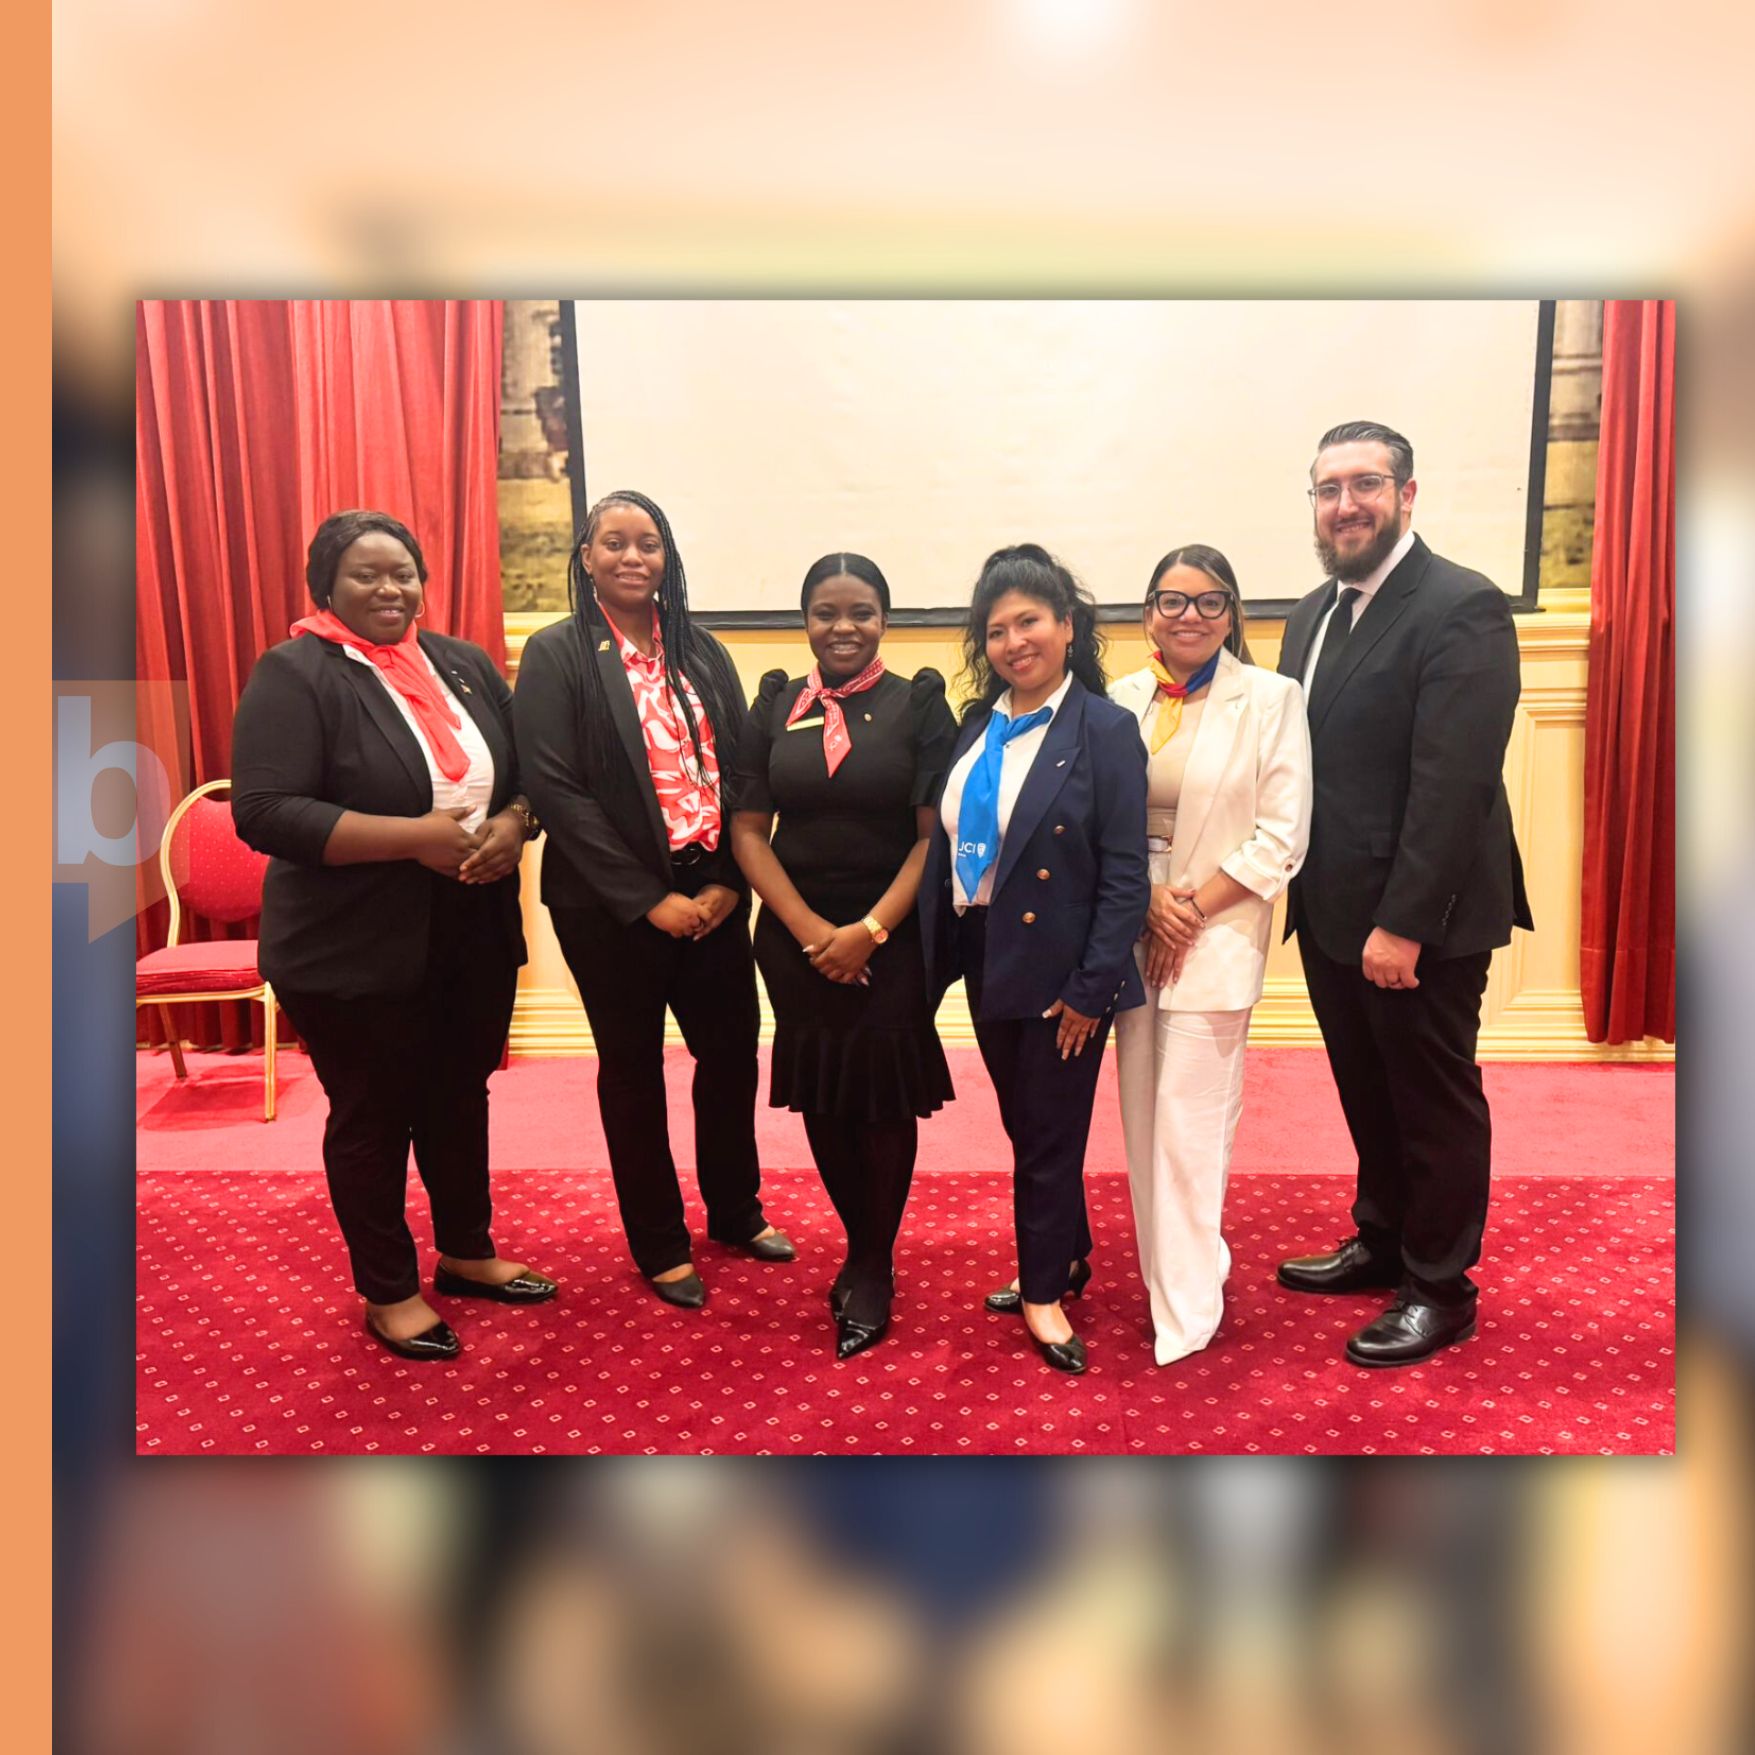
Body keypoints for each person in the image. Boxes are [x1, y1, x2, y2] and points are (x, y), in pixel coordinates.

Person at [232, 508, 555, 1364]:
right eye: (367, 574)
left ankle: (467, 1251)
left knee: (458, 1097)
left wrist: (514, 824)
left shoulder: (463, 664)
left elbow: (528, 775)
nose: (390, 588)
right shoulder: (296, 672)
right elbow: (266, 812)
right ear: (326, 585)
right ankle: (389, 1289)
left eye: (403, 572)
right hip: (349, 945)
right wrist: (414, 837)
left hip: (472, 930)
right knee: (373, 1117)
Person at [1275, 421, 1532, 1367]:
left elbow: (1453, 785)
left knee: (1430, 1102)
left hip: (1420, 920)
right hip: (1329, 911)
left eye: (1365, 484)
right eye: (1327, 489)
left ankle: (1439, 1286)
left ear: (1406, 495)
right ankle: (1382, 1238)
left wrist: (1402, 924)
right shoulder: (1309, 614)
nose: (1345, 505)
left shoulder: (1461, 604)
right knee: (1367, 1088)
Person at [512, 489, 791, 1309]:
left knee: (730, 1054)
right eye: (615, 543)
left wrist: (726, 879)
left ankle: (734, 1210)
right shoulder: (558, 653)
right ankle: (660, 1242)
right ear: (586, 557)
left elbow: (743, 768)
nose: (633, 557)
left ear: (667, 557)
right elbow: (556, 790)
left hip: (712, 890)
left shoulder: (701, 650)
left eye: (649, 543)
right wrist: (646, 900)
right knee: (632, 1070)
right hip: (609, 906)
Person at [920, 544, 1150, 1374]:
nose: (1013, 642)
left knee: (1048, 1136)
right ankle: (1070, 1250)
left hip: (1061, 969)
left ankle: (1044, 1289)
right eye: (996, 630)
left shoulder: (1104, 729)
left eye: (1029, 622)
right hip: (986, 953)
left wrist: (1092, 988)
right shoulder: (978, 725)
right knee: (1029, 1124)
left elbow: (1124, 873)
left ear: (1067, 626)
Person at [729, 554, 959, 1359]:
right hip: (794, 939)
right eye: (825, 612)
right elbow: (748, 831)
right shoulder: (774, 703)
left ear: (883, 619)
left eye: (860, 611)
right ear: (804, 621)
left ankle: (871, 1261)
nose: (843, 627)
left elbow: (934, 838)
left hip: (893, 935)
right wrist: (809, 932)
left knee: (883, 1099)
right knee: (824, 1093)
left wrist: (867, 931)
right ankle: (862, 1248)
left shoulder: (918, 703)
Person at [1108, 546, 1312, 1365]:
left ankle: (1188, 1307)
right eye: (1171, 600)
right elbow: (1097, 816)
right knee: (1140, 1118)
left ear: (1231, 614)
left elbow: (1280, 836)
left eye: (1208, 601)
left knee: (1190, 1126)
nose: (1188, 615)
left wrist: (1186, 909)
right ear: (1147, 613)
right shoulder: (1119, 698)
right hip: (1132, 923)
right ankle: (1172, 1272)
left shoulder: (1270, 697)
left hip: (1215, 928)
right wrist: (1144, 901)